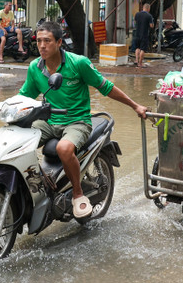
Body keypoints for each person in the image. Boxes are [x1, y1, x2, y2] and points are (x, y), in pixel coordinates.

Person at [19, 21, 147, 217]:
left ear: (59, 42)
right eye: (39, 41)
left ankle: (78, 194)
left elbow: (106, 87)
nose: (42, 46)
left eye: (47, 41)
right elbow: (24, 97)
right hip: (49, 122)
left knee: (64, 148)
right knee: (19, 141)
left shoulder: (78, 63)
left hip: (77, 121)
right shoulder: (35, 67)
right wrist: (5, 108)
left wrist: (135, 105)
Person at [132, 3, 154, 68]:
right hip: (144, 34)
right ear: (148, 8)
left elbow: (135, 22)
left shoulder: (137, 14)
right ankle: (140, 63)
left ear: (143, 8)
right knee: (143, 49)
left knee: (137, 48)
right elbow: (151, 26)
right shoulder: (149, 16)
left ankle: (136, 60)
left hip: (137, 33)